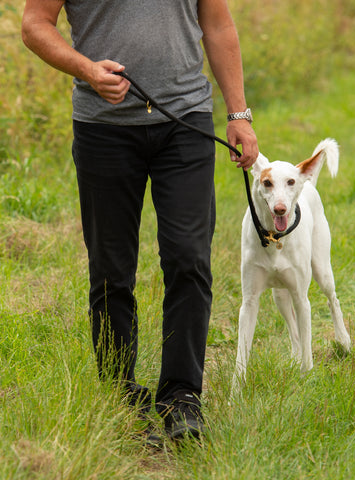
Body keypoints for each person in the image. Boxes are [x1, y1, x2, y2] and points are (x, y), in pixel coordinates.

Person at [22, 0, 259, 440]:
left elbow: (218, 24)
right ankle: (119, 395)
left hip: (184, 121)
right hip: (102, 130)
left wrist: (238, 113)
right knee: (111, 270)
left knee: (189, 257)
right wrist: (87, 70)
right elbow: (35, 25)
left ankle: (182, 397)